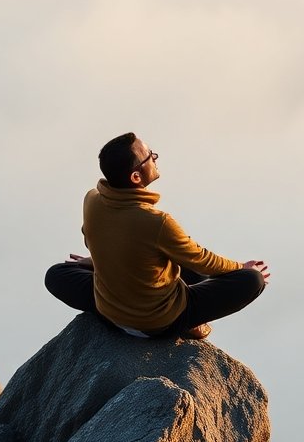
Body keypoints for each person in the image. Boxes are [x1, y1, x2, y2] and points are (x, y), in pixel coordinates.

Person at [45, 132, 269, 339]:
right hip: (157, 322)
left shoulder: (92, 200)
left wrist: (94, 262)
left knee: (56, 274)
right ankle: (191, 324)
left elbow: (104, 241)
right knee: (251, 280)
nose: (155, 157)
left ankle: (118, 309)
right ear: (135, 177)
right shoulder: (156, 222)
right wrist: (242, 267)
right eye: (150, 156)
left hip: (109, 310)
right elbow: (203, 261)